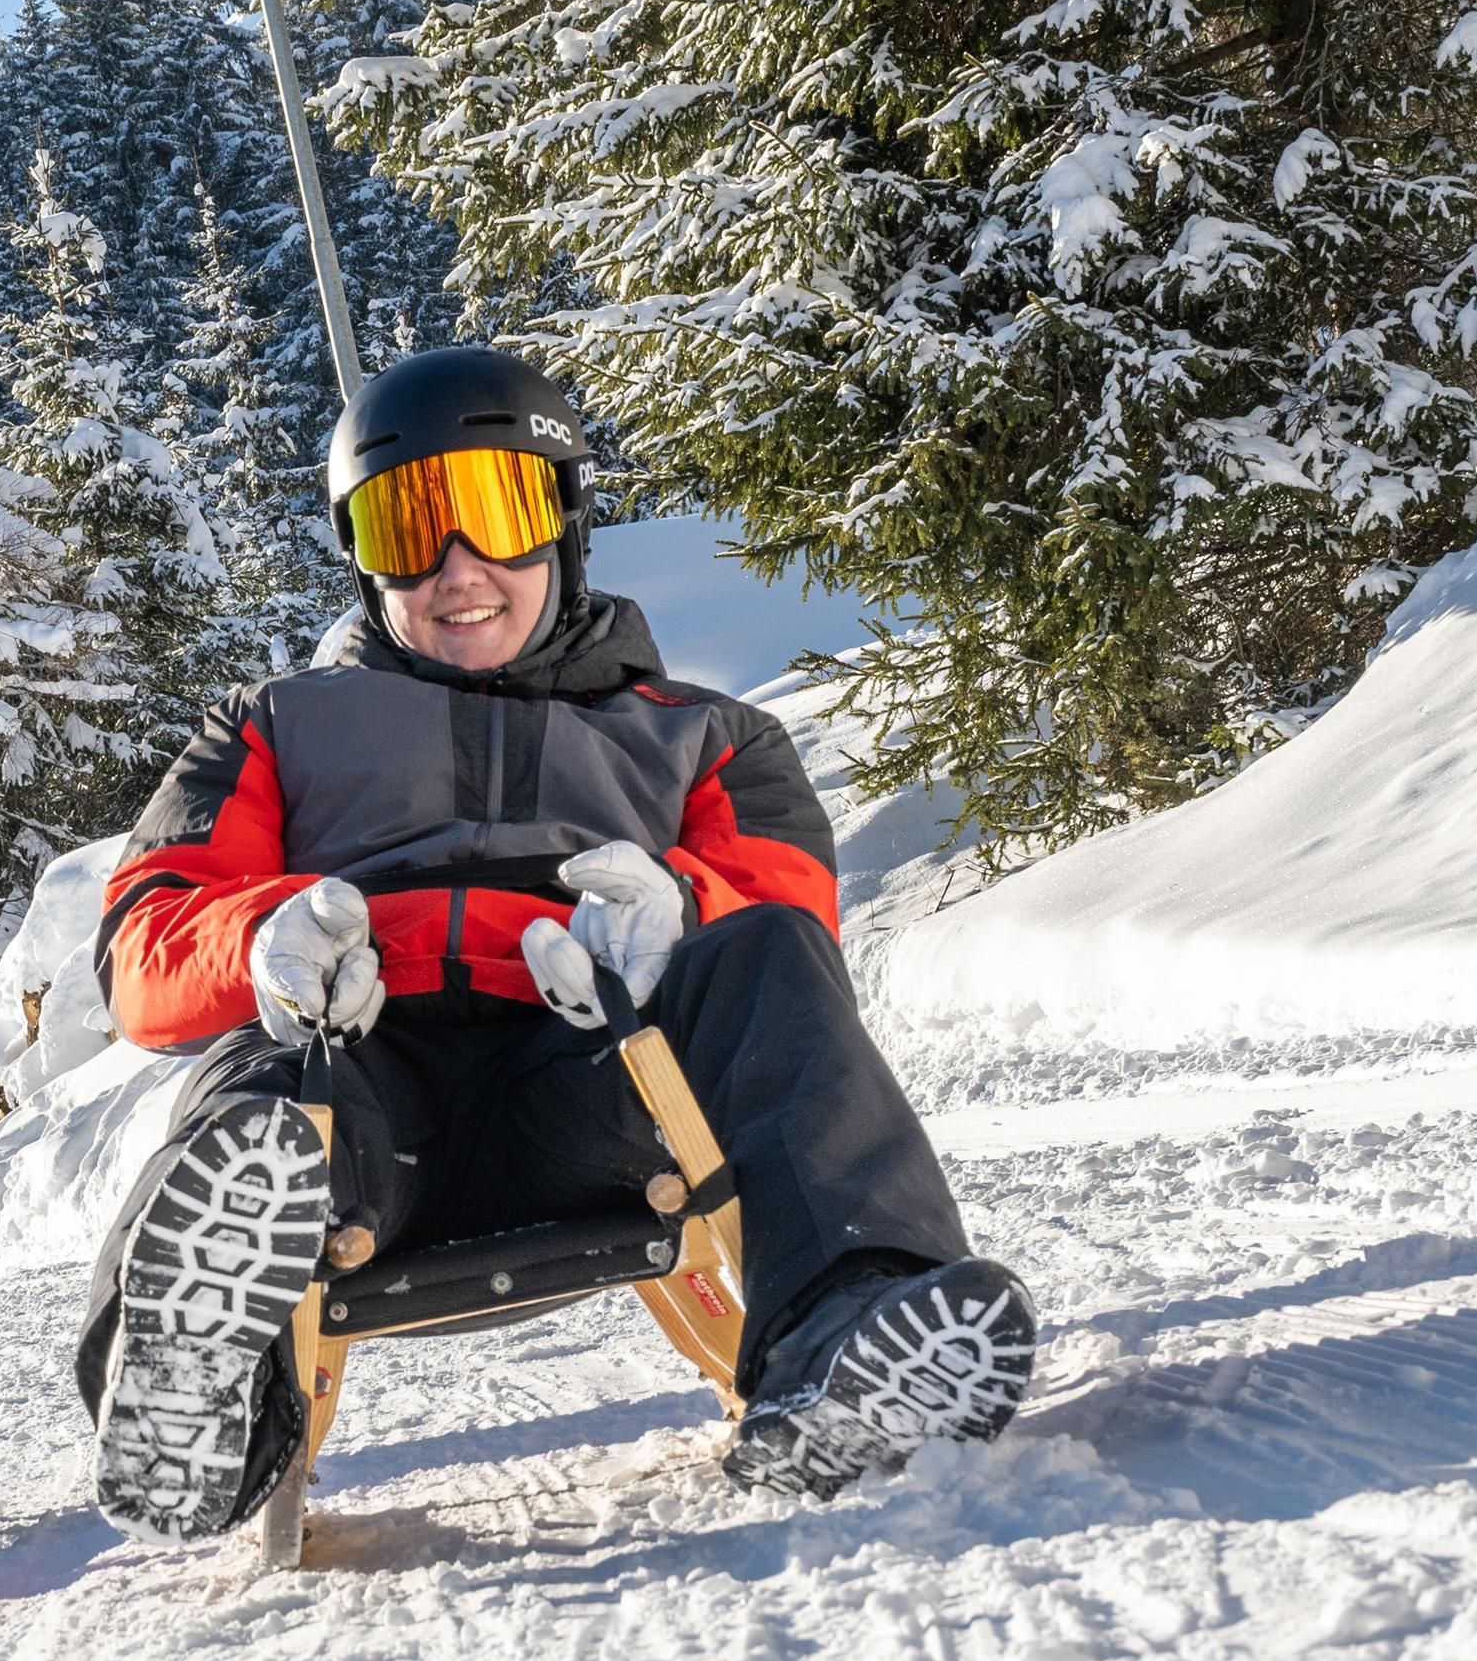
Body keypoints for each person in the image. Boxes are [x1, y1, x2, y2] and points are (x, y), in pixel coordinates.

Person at [78, 347, 1038, 1539]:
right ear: (360, 555)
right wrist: (258, 936)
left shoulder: (704, 736)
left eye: (495, 512)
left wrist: (678, 907)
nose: (456, 568)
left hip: (595, 1086)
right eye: (407, 527)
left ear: (566, 521)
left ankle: (849, 1334)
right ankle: (198, 1403)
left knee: (766, 952)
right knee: (256, 1091)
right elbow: (144, 946)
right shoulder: (273, 725)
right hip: (358, 1099)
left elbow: (787, 907)